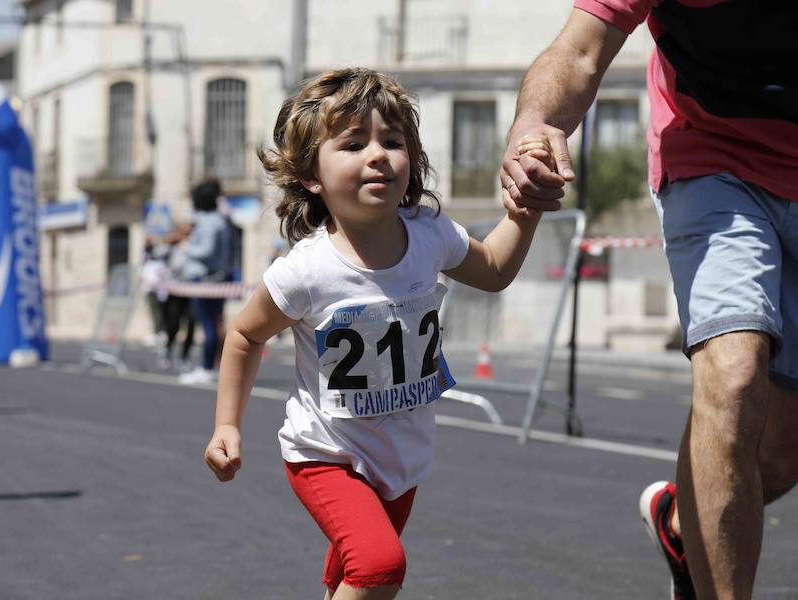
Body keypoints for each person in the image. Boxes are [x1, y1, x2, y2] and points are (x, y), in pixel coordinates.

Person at [204, 68, 547, 600]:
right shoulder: (306, 270)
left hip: (402, 456)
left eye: (392, 141)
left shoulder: (430, 234)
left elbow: (495, 269)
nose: (378, 154)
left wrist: (523, 213)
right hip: (325, 455)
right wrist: (227, 424)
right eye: (353, 143)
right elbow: (245, 335)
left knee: (350, 577)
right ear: (311, 175)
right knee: (379, 566)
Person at [500, 3, 798, 599]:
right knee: (736, 376)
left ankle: (683, 523)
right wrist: (534, 126)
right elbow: (579, 51)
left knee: (781, 456)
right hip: (714, 157)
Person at [176, 179, 233, 385]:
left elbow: (206, 250)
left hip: (206, 278)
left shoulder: (209, 222)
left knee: (208, 325)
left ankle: (207, 367)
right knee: (215, 324)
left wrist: (186, 248)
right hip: (216, 277)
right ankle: (214, 366)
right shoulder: (218, 220)